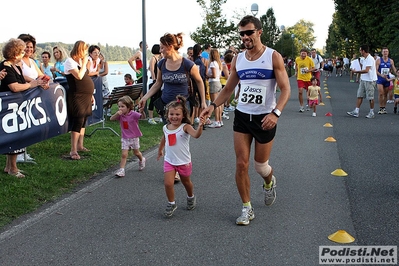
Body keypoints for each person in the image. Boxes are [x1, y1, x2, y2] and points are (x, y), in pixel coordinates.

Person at [200, 15, 290, 226]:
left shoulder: (272, 57)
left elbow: (286, 89)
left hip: (265, 118)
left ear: (259, 32)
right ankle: (246, 207)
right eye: (242, 34)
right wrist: (212, 106)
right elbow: (229, 88)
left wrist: (275, 113)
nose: (245, 37)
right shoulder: (239, 59)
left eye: (249, 32)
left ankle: (269, 182)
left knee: (261, 167)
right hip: (242, 116)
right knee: (241, 164)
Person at [0, 38, 48, 178]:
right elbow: (14, 87)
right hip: (11, 108)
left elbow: (24, 79)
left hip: (18, 106)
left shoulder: (16, 65)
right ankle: (13, 169)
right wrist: (31, 85)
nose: (24, 53)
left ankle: (9, 166)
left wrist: (38, 82)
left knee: (16, 136)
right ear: (15, 53)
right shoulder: (5, 66)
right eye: (21, 51)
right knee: (14, 137)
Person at [138, 33, 206, 122]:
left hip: (183, 107)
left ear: (170, 47)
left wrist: (203, 102)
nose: (160, 50)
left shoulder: (187, 64)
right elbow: (158, 83)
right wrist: (145, 98)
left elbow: (199, 81)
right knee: (169, 134)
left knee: (182, 134)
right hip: (167, 106)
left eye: (162, 47)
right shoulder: (161, 64)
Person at [157, 95, 205, 217]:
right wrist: (160, 150)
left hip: (184, 161)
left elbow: (196, 135)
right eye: (171, 114)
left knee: (186, 182)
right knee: (168, 183)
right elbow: (165, 138)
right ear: (167, 115)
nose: (174, 117)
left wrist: (200, 127)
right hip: (169, 161)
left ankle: (191, 196)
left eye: (177, 114)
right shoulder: (165, 127)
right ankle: (171, 203)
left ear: (183, 115)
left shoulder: (186, 127)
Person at [64, 40, 95, 160]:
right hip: (77, 95)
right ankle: (73, 150)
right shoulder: (69, 61)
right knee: (78, 120)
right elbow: (79, 76)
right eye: (85, 50)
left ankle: (80, 145)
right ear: (79, 50)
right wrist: (84, 64)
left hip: (86, 95)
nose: (86, 53)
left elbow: (86, 77)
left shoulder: (80, 61)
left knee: (84, 120)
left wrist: (91, 93)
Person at [110, 95, 146, 177]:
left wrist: (142, 112)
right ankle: (121, 170)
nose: (120, 108)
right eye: (119, 106)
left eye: (122, 106)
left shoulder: (133, 114)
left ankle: (142, 159)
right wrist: (116, 114)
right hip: (125, 137)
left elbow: (142, 118)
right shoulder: (120, 115)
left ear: (129, 107)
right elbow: (111, 119)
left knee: (136, 152)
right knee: (124, 154)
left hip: (134, 137)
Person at [347, 45, 378, 118]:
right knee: (359, 95)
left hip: (370, 80)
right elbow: (358, 62)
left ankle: (371, 112)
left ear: (363, 51)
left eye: (360, 50)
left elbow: (366, 70)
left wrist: (356, 71)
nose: (360, 52)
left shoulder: (370, 59)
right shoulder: (364, 58)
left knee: (370, 97)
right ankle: (356, 111)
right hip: (363, 79)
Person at [375, 47, 397, 114]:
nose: (385, 53)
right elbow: (375, 70)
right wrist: (381, 75)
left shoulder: (391, 61)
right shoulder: (378, 60)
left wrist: (397, 74)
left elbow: (394, 70)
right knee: (381, 93)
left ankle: (384, 107)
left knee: (385, 94)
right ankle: (380, 107)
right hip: (380, 79)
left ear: (388, 52)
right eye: (384, 51)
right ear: (382, 53)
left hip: (387, 79)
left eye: (386, 51)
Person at [206, 48, 223, 128]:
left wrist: (207, 75)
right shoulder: (218, 63)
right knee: (219, 104)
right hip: (218, 82)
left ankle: (216, 121)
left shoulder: (212, 63)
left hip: (213, 82)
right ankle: (219, 120)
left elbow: (213, 75)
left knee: (214, 103)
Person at [148, 44, 162, 125]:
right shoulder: (153, 58)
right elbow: (152, 70)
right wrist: (154, 79)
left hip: (158, 81)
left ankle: (160, 115)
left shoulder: (160, 58)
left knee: (159, 98)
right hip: (154, 80)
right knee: (153, 99)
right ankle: (150, 117)